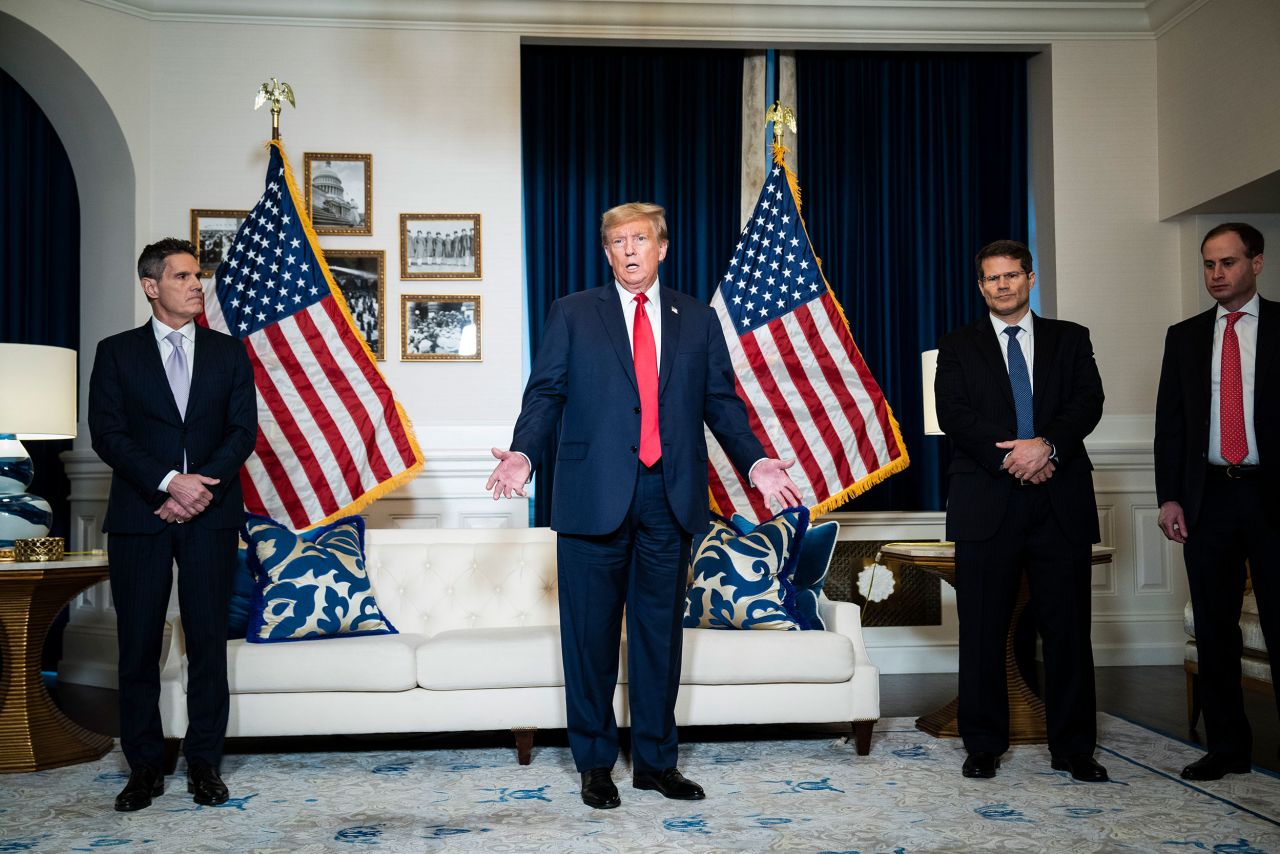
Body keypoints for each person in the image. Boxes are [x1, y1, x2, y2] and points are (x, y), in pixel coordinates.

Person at [486, 202, 800, 810]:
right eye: (616, 242)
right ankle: (596, 764)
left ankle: (656, 763)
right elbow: (546, 392)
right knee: (591, 641)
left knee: (660, 639)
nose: (629, 250)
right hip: (591, 498)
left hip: (669, 497)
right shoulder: (573, 313)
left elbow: (721, 403)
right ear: (607, 254)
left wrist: (756, 462)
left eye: (639, 239)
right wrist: (524, 453)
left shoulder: (699, 319)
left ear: (662, 247)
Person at [88, 238, 257, 811]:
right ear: (151, 286)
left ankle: (204, 765)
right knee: (138, 647)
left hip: (210, 517)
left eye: (198, 275)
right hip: (141, 516)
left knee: (208, 644)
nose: (196, 284)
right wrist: (167, 483)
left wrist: (197, 487)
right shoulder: (116, 353)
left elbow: (242, 434)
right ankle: (143, 769)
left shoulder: (229, 353)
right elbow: (108, 434)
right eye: (183, 276)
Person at [935, 239, 1107, 782]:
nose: (1001, 286)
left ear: (1031, 279)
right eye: (991, 278)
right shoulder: (958, 345)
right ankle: (983, 745)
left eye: (1011, 276)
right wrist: (1018, 458)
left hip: (1060, 501)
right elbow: (954, 414)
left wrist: (1046, 446)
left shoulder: (1070, 338)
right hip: (987, 501)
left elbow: (1089, 402)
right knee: (982, 629)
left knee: (1067, 629)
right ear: (980, 286)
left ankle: (1074, 748)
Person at [1155, 222, 1277, 781]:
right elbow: (1171, 427)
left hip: (1270, 497)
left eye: (1227, 263)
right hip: (1207, 498)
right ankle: (1228, 748)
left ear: (1256, 263)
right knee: (1215, 628)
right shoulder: (1183, 336)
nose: (1216, 275)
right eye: (1208, 265)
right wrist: (1170, 498)